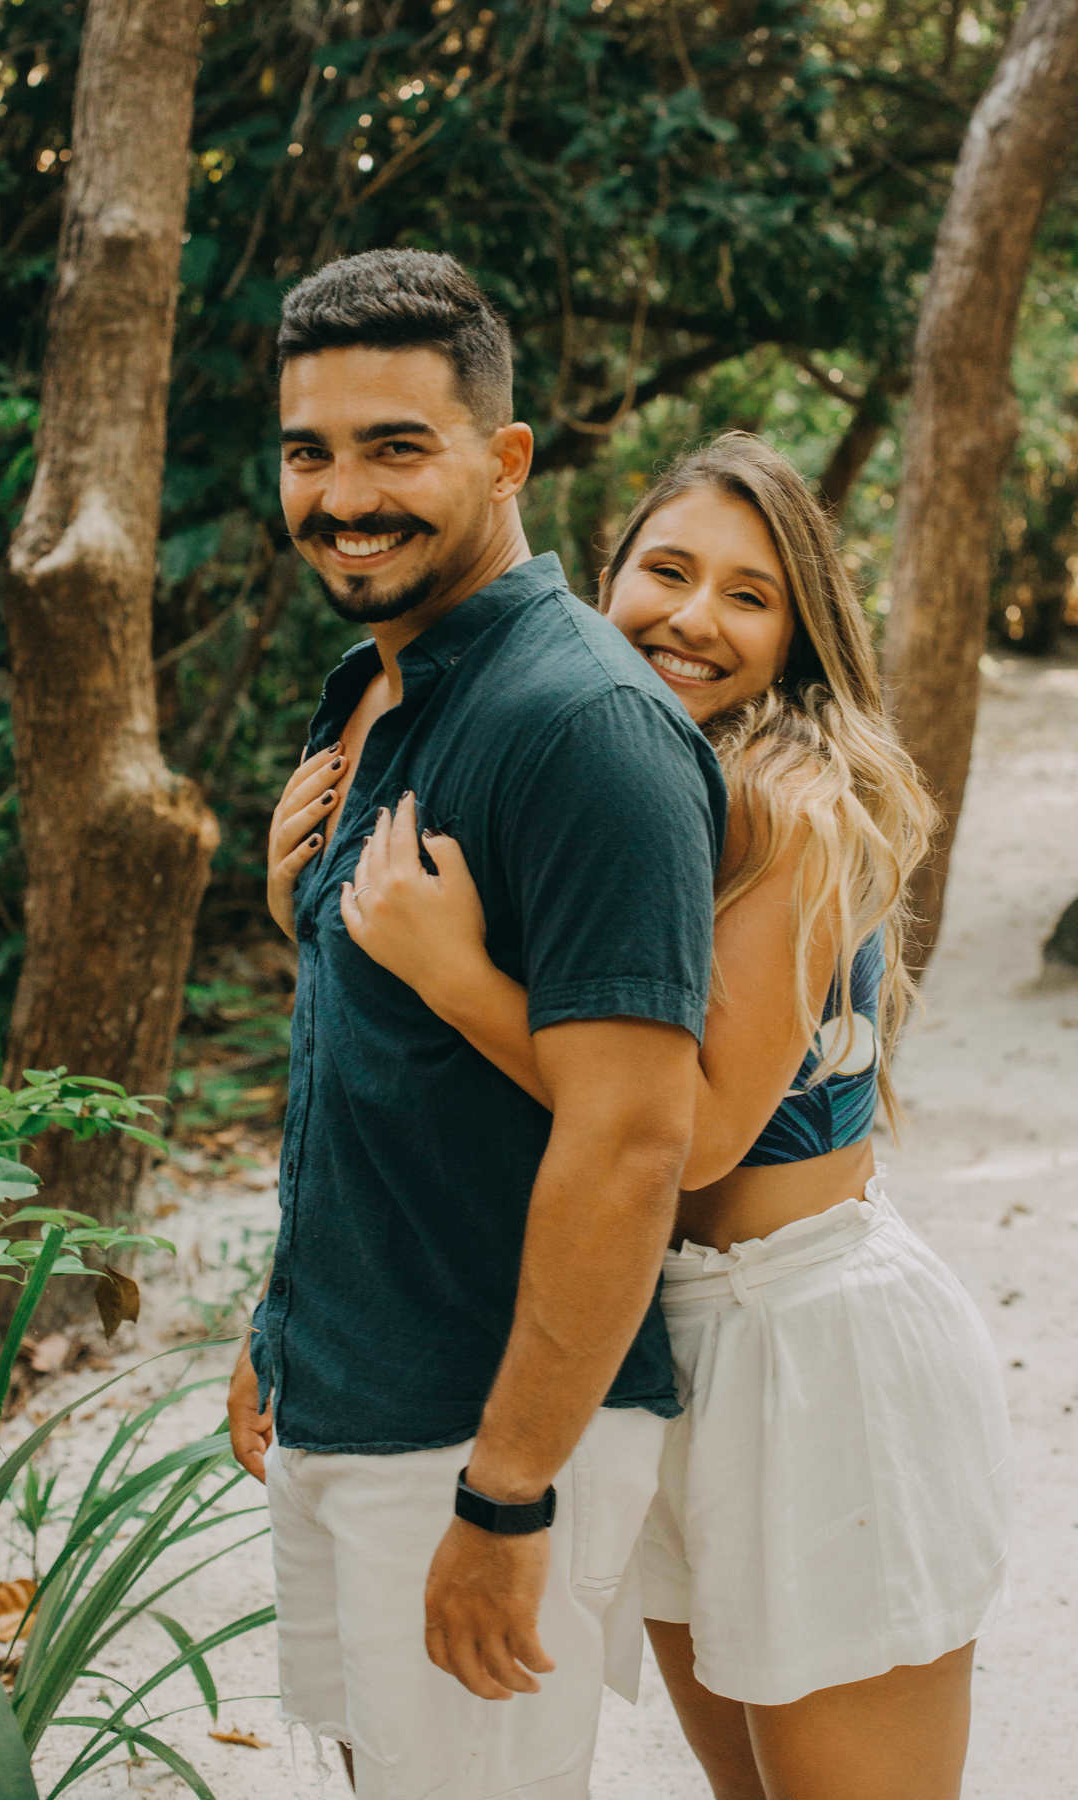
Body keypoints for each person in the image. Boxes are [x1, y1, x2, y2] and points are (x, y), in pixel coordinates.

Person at [335, 433, 1012, 1800]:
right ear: (607, 578)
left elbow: (690, 1135)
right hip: (654, 1346)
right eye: (668, 570)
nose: (694, 618)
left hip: (812, 1354)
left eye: (750, 595)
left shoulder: (796, 802)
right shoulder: (614, 783)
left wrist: (459, 973)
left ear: (804, 630)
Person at [226, 247, 728, 1800]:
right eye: (311, 452)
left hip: (479, 1438)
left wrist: (509, 1502)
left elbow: (636, 1137)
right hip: (353, 1394)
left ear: (505, 457)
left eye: (395, 447)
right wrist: (282, 1329)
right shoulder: (375, 685)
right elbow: (381, 1062)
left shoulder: (582, 726)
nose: (342, 496)